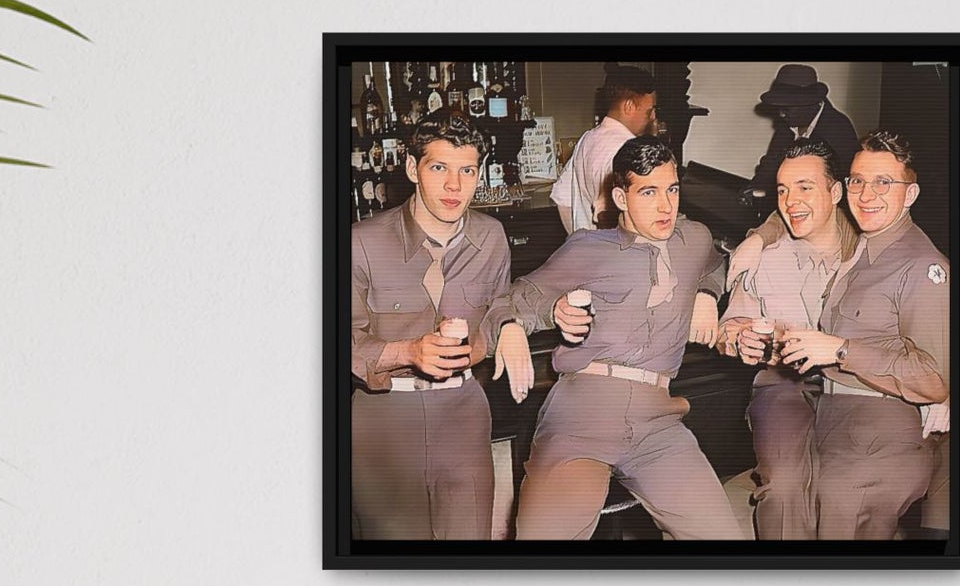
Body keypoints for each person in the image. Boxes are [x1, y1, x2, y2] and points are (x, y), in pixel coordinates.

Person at [509, 135, 749, 541]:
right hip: (582, 415)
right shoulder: (587, 246)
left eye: (672, 190)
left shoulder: (694, 239)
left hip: (658, 423)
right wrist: (519, 324)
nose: (665, 206)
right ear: (620, 197)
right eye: (649, 191)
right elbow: (519, 297)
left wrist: (707, 294)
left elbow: (718, 263)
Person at [347, 119, 532, 538]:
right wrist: (408, 352)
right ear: (412, 169)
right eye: (438, 168)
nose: (454, 186)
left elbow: (498, 303)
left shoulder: (492, 237)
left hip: (463, 413)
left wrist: (508, 328)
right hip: (383, 420)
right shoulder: (360, 241)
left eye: (467, 171)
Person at [776, 130, 950, 540]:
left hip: (879, 430)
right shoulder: (865, 244)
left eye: (883, 183)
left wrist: (840, 350)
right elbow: (793, 204)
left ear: (910, 194)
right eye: (858, 181)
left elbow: (935, 379)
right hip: (832, 418)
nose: (866, 194)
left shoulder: (921, 266)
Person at [716, 139, 859, 539]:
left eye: (804, 187)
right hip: (782, 386)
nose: (790, 201)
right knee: (783, 486)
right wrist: (737, 337)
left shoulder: (867, 253)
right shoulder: (765, 256)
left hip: (853, 388)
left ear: (836, 191)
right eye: (782, 190)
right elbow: (731, 327)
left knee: (848, 490)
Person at [550, 64, 658, 234]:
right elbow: (606, 214)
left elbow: (562, 198)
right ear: (629, 107)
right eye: (649, 110)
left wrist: (578, 240)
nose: (653, 117)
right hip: (618, 256)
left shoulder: (588, 138)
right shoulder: (628, 149)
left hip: (587, 252)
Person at [746, 64, 860, 218]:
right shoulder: (790, 123)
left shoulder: (838, 131)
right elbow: (772, 161)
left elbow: (842, 189)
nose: (781, 114)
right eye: (779, 108)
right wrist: (754, 187)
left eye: (787, 108)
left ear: (810, 103)